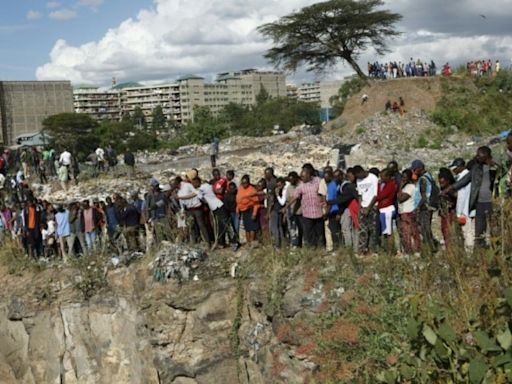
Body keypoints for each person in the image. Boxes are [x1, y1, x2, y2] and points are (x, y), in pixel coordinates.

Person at [450, 146, 497, 249]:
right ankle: (481, 252)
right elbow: (464, 181)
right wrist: (450, 189)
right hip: (479, 203)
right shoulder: (476, 168)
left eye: (480, 156)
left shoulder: (495, 166)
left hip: (492, 202)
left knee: (493, 230)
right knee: (479, 232)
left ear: (486, 156)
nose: (477, 157)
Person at [192, 177, 237, 251]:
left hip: (218, 207)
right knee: (220, 226)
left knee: (227, 225)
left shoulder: (202, 188)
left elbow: (199, 197)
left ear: (197, 182)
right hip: (216, 208)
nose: (193, 185)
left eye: (194, 183)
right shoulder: (205, 186)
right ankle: (222, 243)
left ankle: (234, 243)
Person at [287, 166, 324, 248]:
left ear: (308, 175)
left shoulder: (318, 180)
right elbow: (294, 197)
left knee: (319, 232)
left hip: (318, 212)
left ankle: (321, 248)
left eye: (303, 176)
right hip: (308, 214)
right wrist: (286, 207)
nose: (301, 178)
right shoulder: (301, 186)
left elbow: (324, 191)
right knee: (309, 233)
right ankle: (311, 249)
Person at [411, 160, 438, 254]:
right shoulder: (429, 176)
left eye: (415, 170)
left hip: (425, 208)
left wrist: (417, 208)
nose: (414, 172)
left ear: (419, 168)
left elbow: (423, 196)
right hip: (428, 206)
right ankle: (431, 247)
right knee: (426, 228)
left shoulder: (423, 179)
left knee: (425, 229)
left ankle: (430, 249)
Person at [450, 158, 475, 251]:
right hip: (471, 209)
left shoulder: (463, 177)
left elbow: (461, 197)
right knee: (472, 231)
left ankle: (469, 253)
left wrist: (459, 214)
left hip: (464, 210)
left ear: (460, 167)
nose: (454, 170)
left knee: (467, 233)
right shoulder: (469, 175)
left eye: (455, 168)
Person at [354, 166, 379, 255]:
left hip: (372, 207)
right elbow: (360, 196)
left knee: (373, 230)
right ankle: (361, 251)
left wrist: (368, 208)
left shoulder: (373, 178)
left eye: (359, 175)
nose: (358, 178)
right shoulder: (358, 180)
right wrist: (359, 209)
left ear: (362, 171)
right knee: (362, 230)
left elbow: (376, 196)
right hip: (363, 208)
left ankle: (373, 251)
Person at [397, 170, 421, 255]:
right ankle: (411, 250)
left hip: (407, 212)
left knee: (409, 232)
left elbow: (401, 199)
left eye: (405, 177)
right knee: (407, 232)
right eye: (402, 177)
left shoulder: (410, 187)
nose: (403, 179)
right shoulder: (405, 187)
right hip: (404, 212)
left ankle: (412, 251)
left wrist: (400, 186)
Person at [438, 168, 461, 249]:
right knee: (445, 232)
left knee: (449, 233)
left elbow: (457, 198)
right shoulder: (443, 189)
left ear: (447, 181)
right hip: (444, 214)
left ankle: (451, 251)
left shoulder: (451, 189)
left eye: (442, 182)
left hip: (450, 214)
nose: (441, 184)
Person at [376, 169, 397, 254]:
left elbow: (380, 195)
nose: (381, 178)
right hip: (383, 210)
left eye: (383, 176)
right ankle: (386, 248)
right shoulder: (384, 184)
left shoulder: (391, 184)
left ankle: (390, 250)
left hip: (388, 210)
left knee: (389, 231)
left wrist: (378, 186)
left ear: (388, 176)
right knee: (385, 231)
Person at [236, 175, 260, 247]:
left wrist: (254, 213)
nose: (244, 185)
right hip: (243, 211)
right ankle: (248, 242)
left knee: (252, 227)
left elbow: (256, 203)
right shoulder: (240, 188)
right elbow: (238, 200)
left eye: (245, 183)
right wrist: (238, 209)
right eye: (243, 183)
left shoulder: (252, 190)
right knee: (247, 228)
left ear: (248, 182)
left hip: (250, 210)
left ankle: (252, 242)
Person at [283, 171, 303, 248]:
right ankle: (295, 244)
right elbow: (288, 200)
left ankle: (301, 244)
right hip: (292, 211)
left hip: (301, 211)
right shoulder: (289, 187)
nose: (291, 181)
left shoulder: (301, 186)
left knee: (301, 229)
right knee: (292, 229)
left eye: (292, 179)